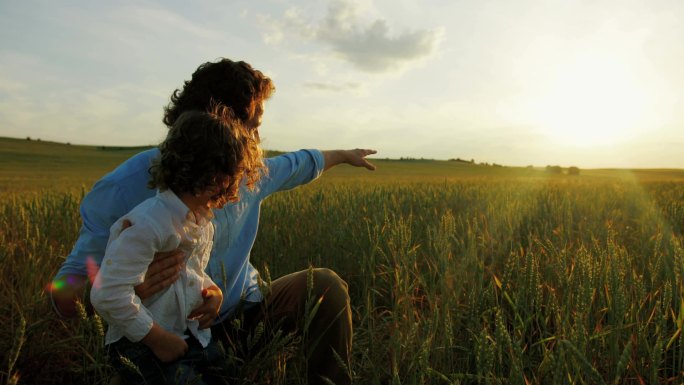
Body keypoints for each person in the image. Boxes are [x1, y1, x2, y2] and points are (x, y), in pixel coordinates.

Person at [49, 57, 376, 385]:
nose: (259, 139)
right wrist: (124, 284)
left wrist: (345, 155)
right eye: (254, 124)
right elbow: (64, 297)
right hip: (164, 339)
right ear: (225, 124)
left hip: (242, 316)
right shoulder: (122, 190)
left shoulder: (249, 173)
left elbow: (301, 163)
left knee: (325, 287)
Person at [91, 104, 262, 384]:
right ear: (215, 177)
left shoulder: (200, 222)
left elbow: (190, 273)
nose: (233, 190)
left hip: (188, 336)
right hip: (141, 344)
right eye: (233, 178)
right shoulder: (148, 224)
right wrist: (159, 339)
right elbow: (107, 294)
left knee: (232, 375)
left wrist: (212, 291)